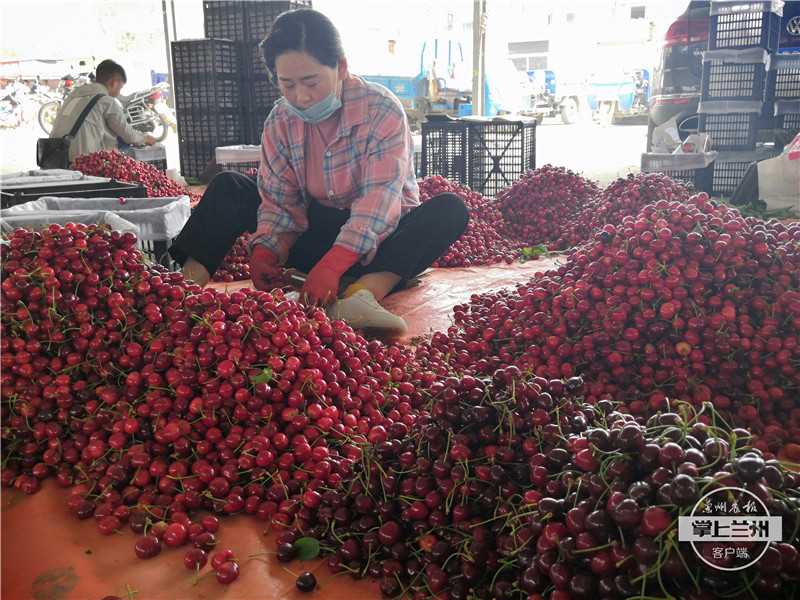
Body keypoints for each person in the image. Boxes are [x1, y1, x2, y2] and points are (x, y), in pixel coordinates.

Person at [168, 8, 469, 340]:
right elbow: (280, 201)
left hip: (381, 244)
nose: (301, 96)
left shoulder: (381, 110)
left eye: (311, 82)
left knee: (450, 209)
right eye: (287, 84)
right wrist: (267, 252)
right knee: (229, 187)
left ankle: (361, 295)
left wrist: (333, 264)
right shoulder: (280, 122)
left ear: (341, 67)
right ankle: (180, 291)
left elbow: (379, 202)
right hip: (315, 237)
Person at [49, 58, 155, 164]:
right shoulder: (106, 101)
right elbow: (127, 134)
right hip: (81, 161)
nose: (119, 92)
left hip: (56, 156)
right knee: (122, 144)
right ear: (114, 81)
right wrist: (144, 139)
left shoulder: (73, 95)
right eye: (120, 88)